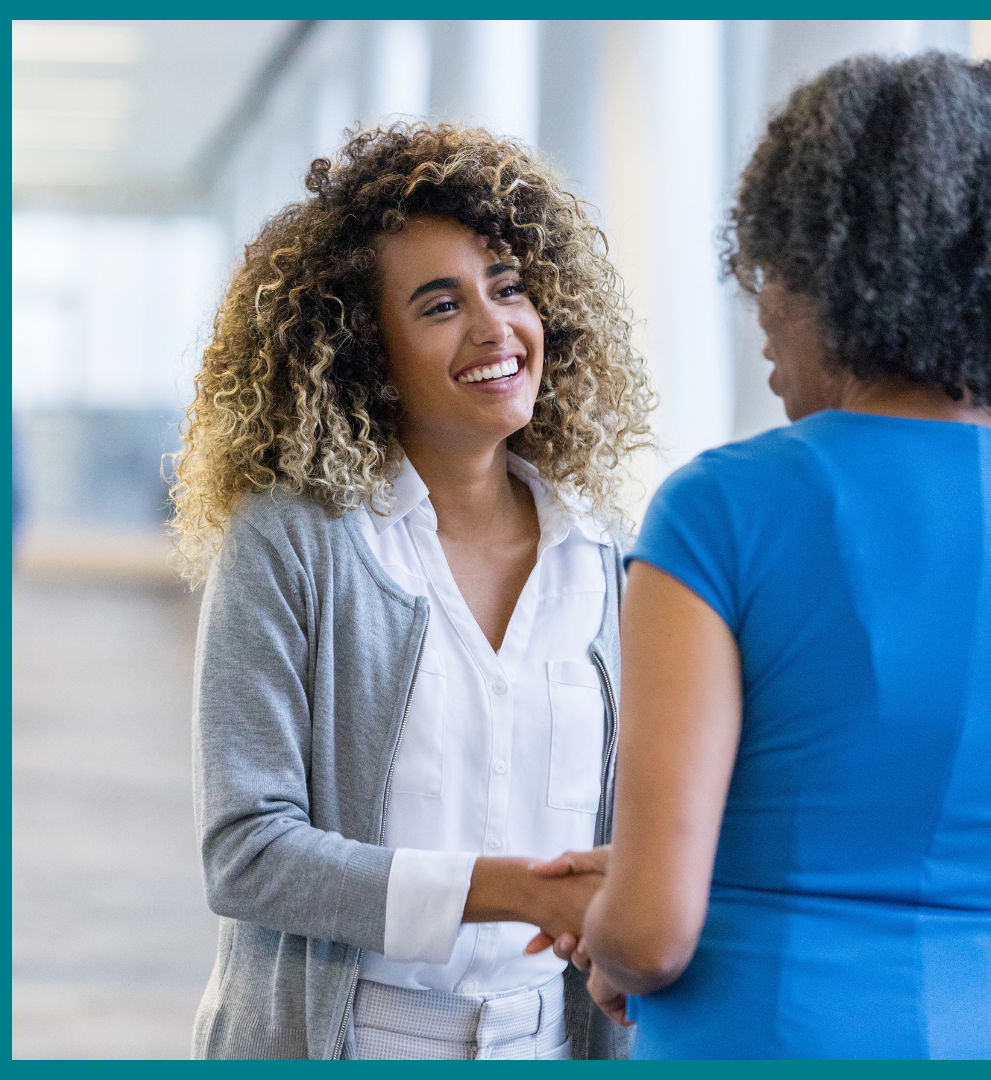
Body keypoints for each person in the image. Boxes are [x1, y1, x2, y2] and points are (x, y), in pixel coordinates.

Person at [576, 53, 991, 1059]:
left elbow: (654, 933)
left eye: (768, 270)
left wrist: (606, 940)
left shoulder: (720, 509)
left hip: (764, 1029)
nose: (760, 316)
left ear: (830, 269)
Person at [171, 122, 652, 1060]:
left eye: (508, 288)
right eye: (440, 306)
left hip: (548, 1040)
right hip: (347, 1038)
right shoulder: (296, 543)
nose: (494, 328)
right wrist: (516, 888)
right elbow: (248, 852)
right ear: (364, 352)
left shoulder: (603, 557)